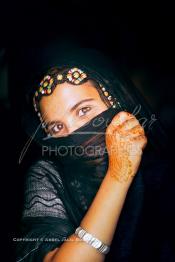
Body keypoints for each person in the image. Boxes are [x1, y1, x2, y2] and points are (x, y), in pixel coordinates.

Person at [15, 48, 173, 262]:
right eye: (57, 127)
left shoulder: (163, 166)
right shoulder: (49, 176)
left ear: (113, 101)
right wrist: (118, 175)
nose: (73, 134)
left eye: (83, 111)